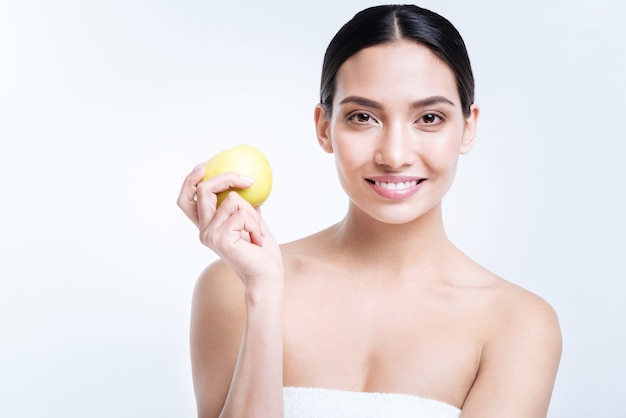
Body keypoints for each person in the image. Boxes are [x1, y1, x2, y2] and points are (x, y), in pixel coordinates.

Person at [177, 4, 562, 417]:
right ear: (324, 127)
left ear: (468, 127)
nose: (394, 155)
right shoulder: (233, 287)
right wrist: (263, 293)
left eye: (429, 118)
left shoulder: (518, 325)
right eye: (363, 117)